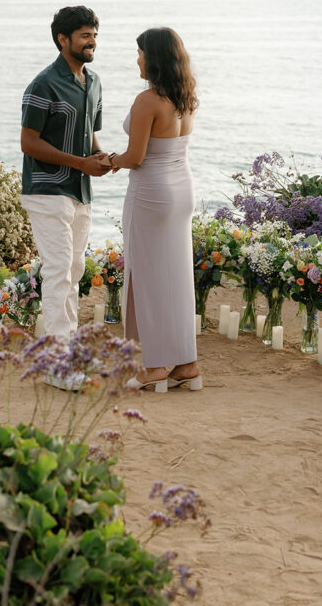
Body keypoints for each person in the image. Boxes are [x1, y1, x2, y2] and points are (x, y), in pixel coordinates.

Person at [102, 27, 200, 392]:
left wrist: (110, 160)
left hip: (151, 193)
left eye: (140, 52)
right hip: (182, 189)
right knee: (176, 276)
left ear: (153, 57)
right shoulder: (185, 97)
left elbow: (136, 157)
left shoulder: (147, 101)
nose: (137, 59)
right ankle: (187, 363)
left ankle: (154, 366)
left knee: (143, 278)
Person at [20, 6, 111, 352]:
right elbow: (29, 142)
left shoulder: (95, 82)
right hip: (46, 190)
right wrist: (80, 163)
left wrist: (101, 158)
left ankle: (65, 348)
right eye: (85, 35)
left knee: (74, 269)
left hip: (79, 191)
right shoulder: (44, 83)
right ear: (63, 39)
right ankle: (59, 358)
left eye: (95, 35)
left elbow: (90, 136)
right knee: (58, 269)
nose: (92, 42)